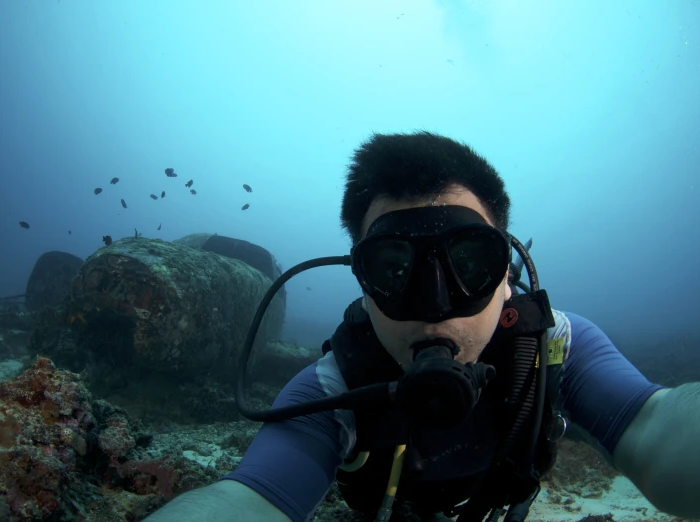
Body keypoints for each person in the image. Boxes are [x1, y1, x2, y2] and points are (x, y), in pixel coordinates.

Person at [145, 132, 700, 522]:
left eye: (470, 265)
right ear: (362, 282)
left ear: (505, 273)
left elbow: (657, 426)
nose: (436, 307)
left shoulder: (554, 344)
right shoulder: (336, 387)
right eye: (393, 269)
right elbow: (251, 499)